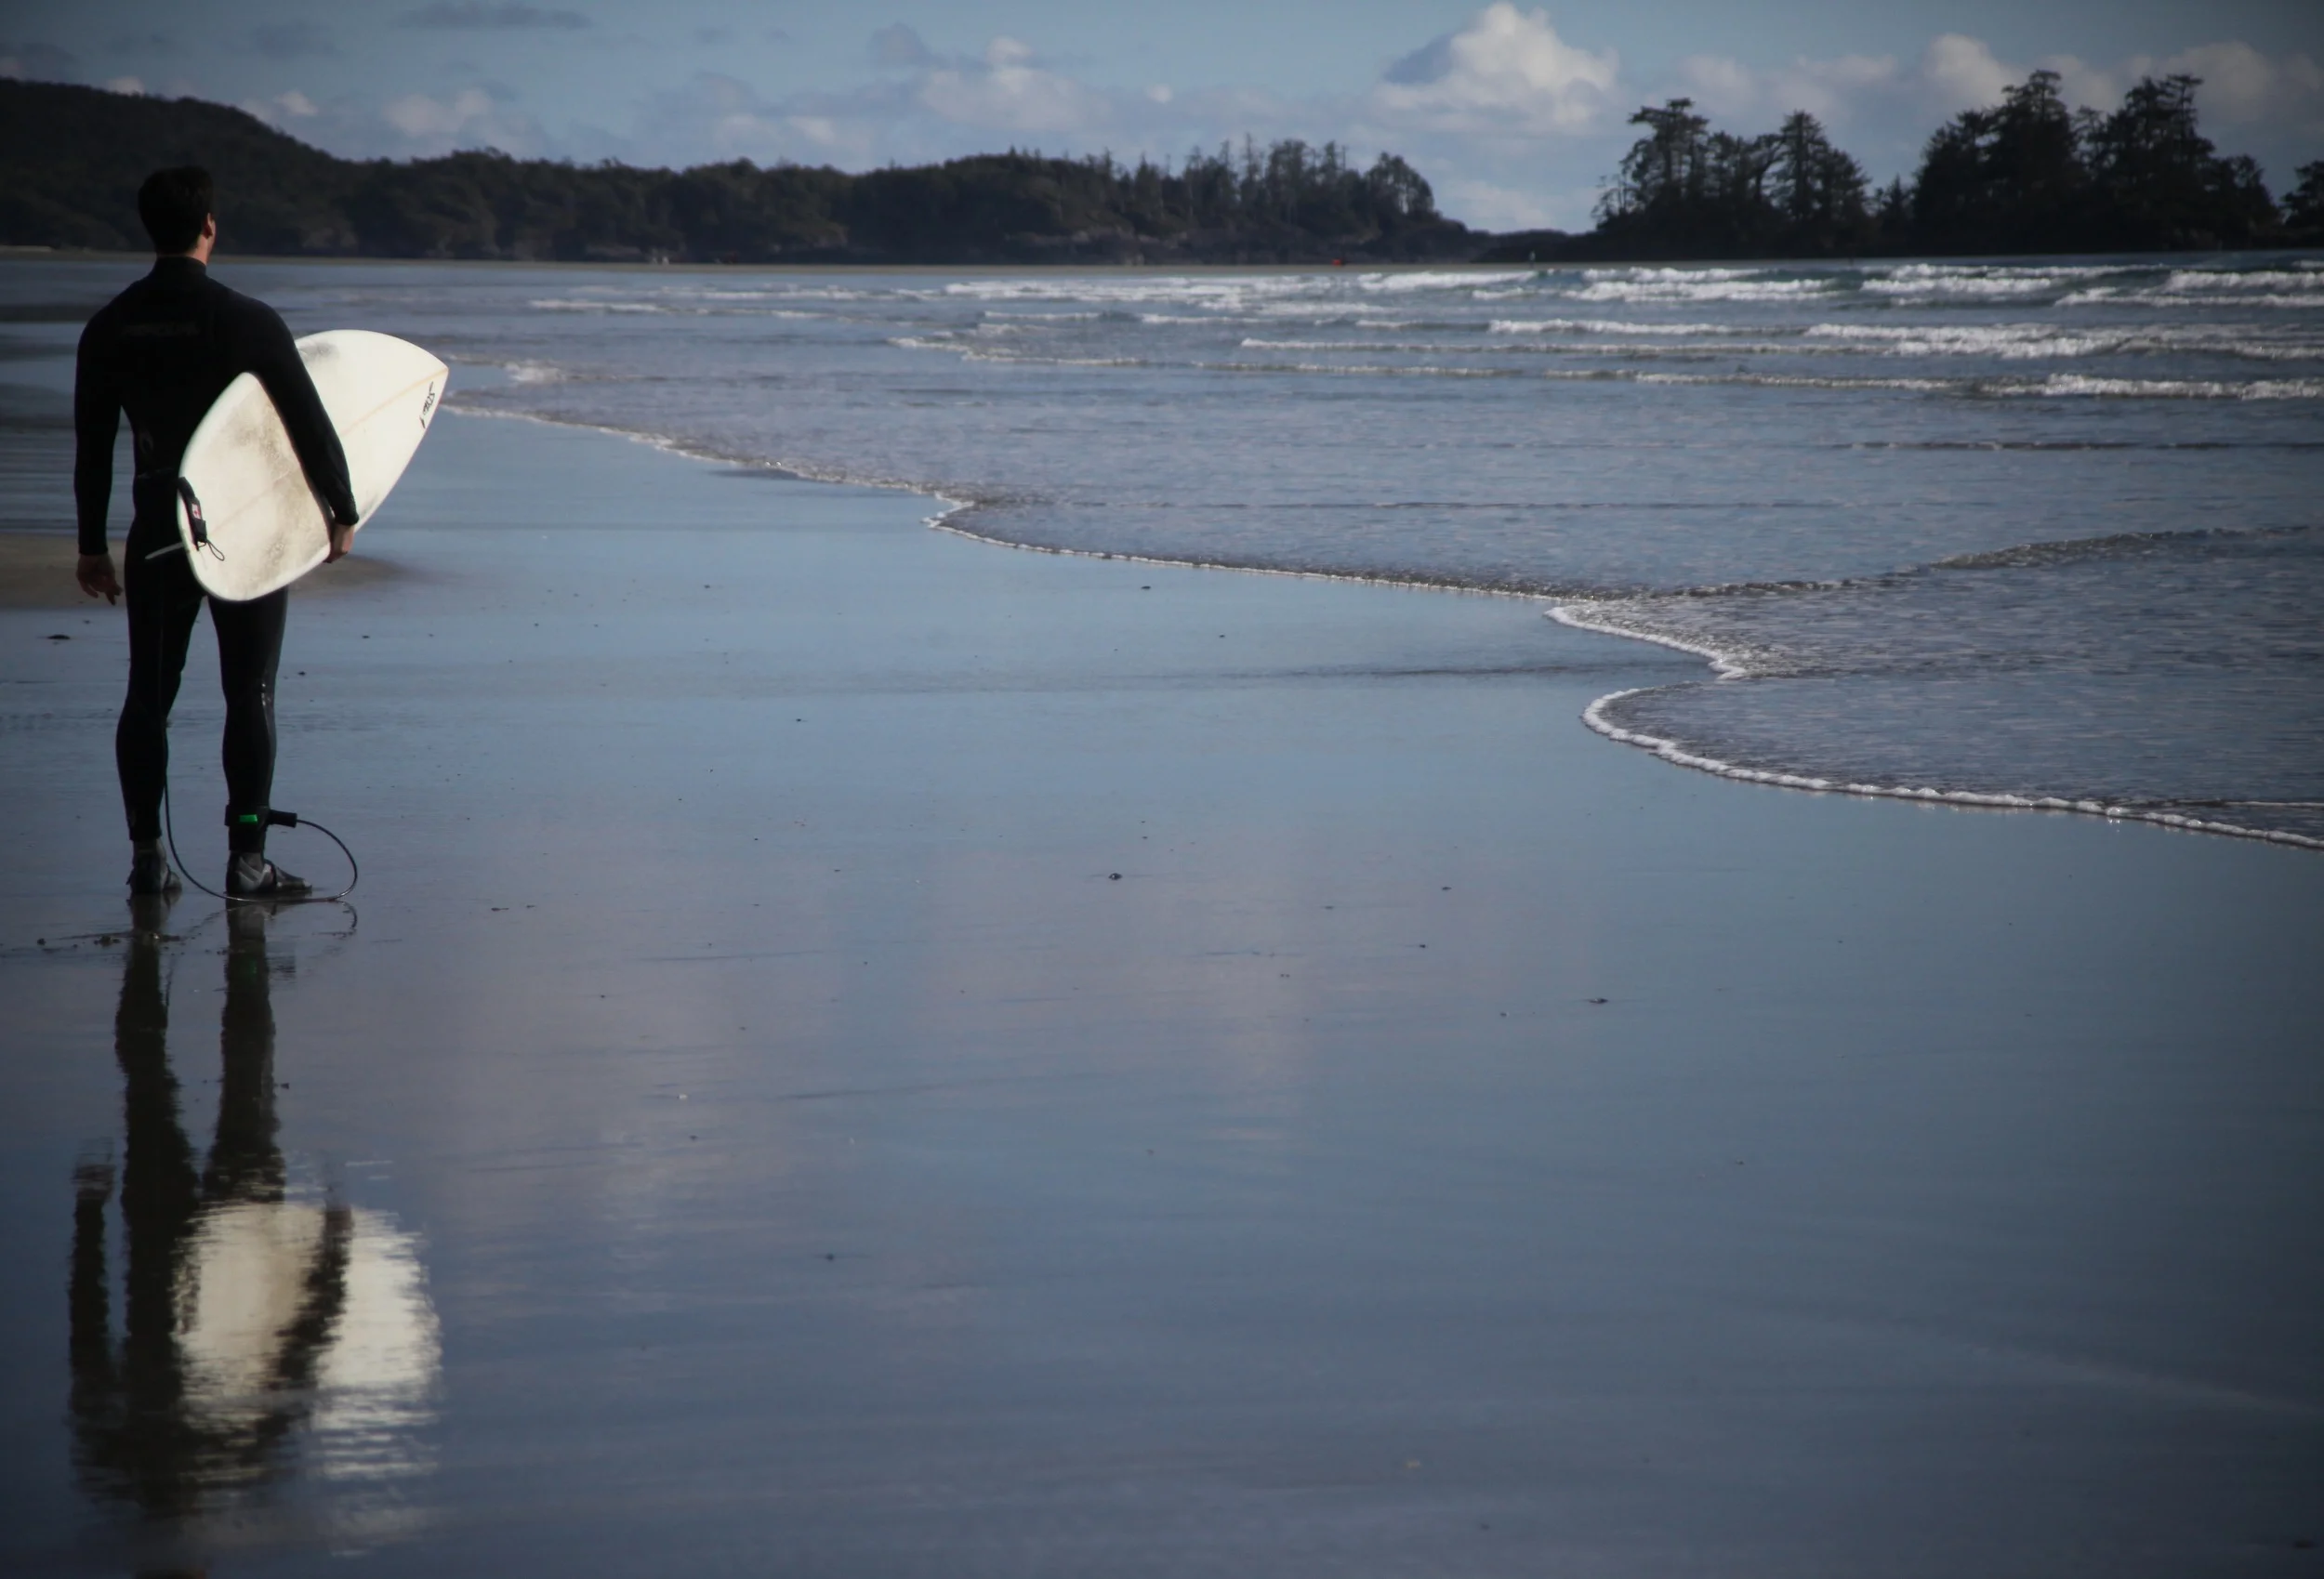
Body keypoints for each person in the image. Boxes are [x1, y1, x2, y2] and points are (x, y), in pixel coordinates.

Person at [75, 166, 360, 899]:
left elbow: (93, 447)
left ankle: (146, 856)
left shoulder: (109, 326)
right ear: (210, 225)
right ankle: (248, 859)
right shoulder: (247, 320)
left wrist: (90, 546)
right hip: (247, 532)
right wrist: (341, 510)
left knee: (148, 692)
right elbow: (309, 425)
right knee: (250, 692)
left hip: (155, 533)